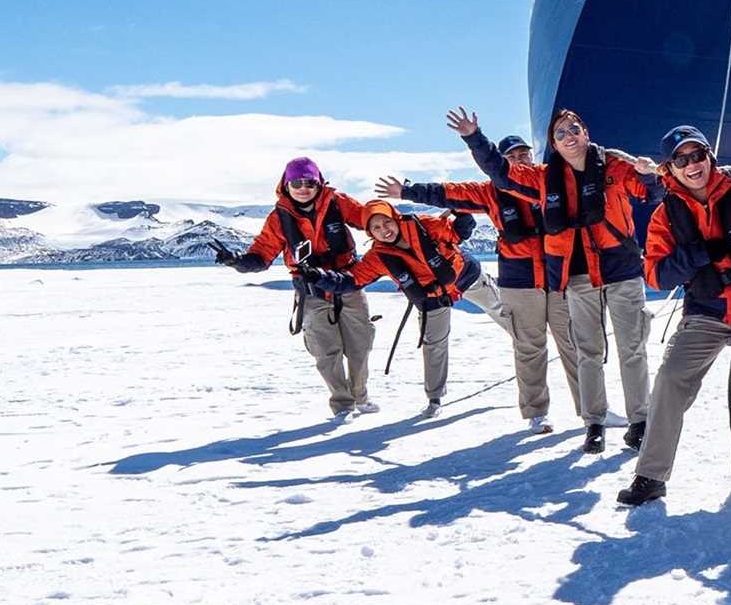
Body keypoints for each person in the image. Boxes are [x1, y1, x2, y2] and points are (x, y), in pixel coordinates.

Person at [455, 105, 657, 453]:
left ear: (586, 133)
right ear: (554, 144)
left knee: (632, 349)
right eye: (560, 134)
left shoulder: (614, 166)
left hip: (621, 272)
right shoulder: (544, 178)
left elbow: (650, 195)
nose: (569, 136)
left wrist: (649, 175)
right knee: (588, 352)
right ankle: (594, 422)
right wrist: (475, 139)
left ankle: (640, 421)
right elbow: (501, 174)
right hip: (579, 277)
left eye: (574, 129)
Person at [377, 127, 582, 434]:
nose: (520, 160)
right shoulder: (489, 192)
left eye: (524, 154)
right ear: (501, 162)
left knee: (575, 343)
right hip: (519, 279)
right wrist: (408, 191)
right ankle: (536, 413)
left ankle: (592, 410)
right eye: (511, 156)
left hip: (558, 275)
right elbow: (447, 192)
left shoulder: (549, 180)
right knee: (528, 347)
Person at [618, 127, 731, 505]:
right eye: (682, 159)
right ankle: (651, 475)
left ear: (711, 157)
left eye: (698, 155)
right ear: (669, 169)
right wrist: (695, 256)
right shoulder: (665, 216)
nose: (693, 165)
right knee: (671, 380)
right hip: (705, 312)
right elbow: (655, 274)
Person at [299, 200, 499, 417]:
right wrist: (319, 277)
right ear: (370, 233)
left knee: (502, 309)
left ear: (395, 218)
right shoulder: (377, 258)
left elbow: (461, 232)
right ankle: (435, 399)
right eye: (376, 228)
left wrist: (462, 213)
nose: (384, 230)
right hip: (433, 296)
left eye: (386, 223)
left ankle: (530, 343)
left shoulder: (425, 225)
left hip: (465, 276)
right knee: (434, 344)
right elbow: (351, 280)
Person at [213, 158, 375, 418]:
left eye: (309, 183)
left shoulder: (338, 202)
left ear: (318, 183)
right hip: (311, 291)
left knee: (361, 344)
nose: (303, 188)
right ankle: (343, 405)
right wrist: (238, 262)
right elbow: (262, 254)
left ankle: (361, 396)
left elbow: (371, 220)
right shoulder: (279, 217)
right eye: (296, 183)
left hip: (347, 283)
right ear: (286, 185)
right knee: (326, 351)